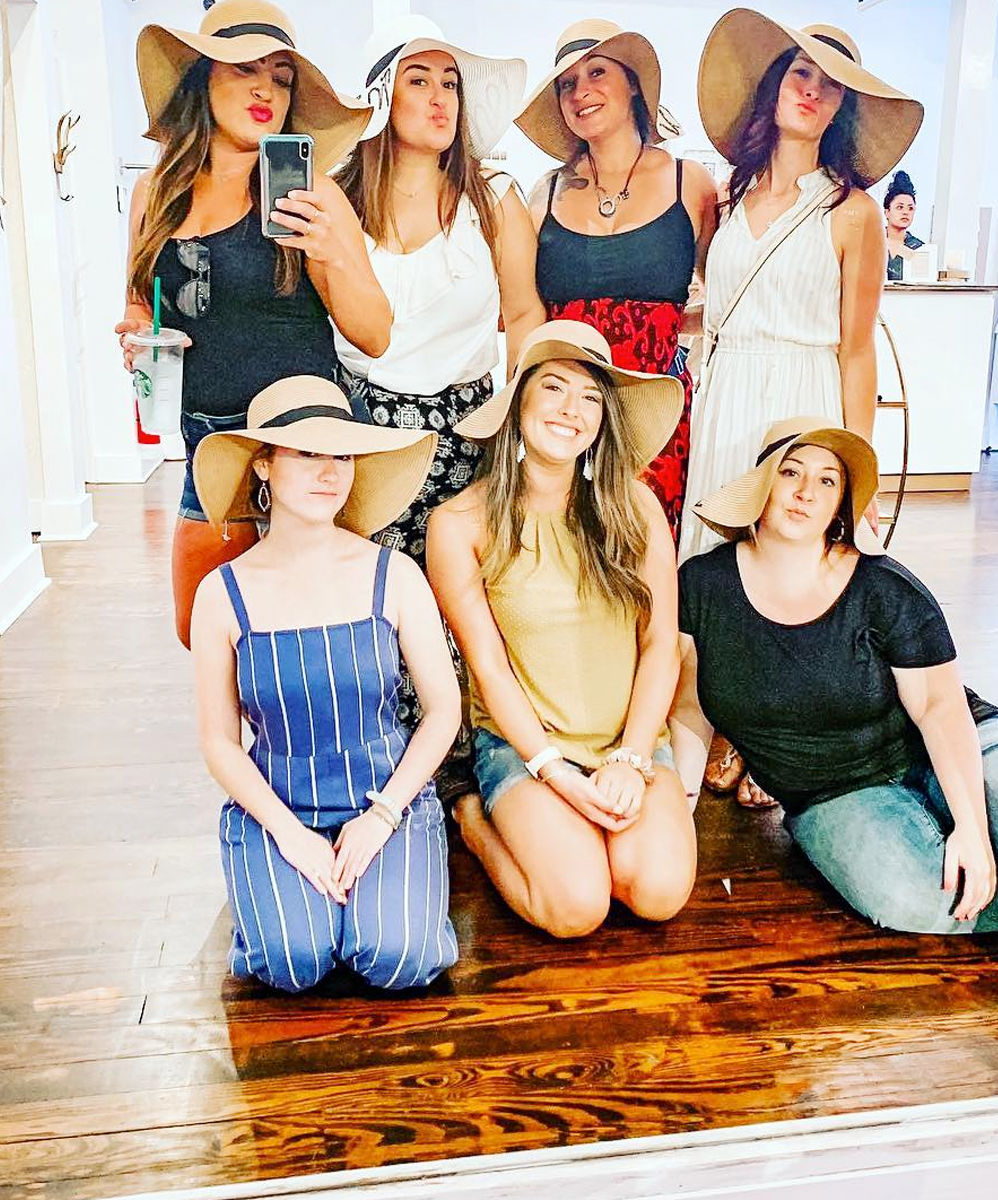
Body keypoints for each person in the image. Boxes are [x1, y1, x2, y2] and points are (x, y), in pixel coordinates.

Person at [673, 416, 998, 935]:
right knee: (915, 897)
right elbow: (689, 707)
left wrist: (973, 829)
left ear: (840, 505)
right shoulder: (703, 584)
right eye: (790, 472)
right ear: (761, 486)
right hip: (829, 792)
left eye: (827, 480)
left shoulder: (881, 585)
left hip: (947, 746)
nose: (805, 492)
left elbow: (939, 708)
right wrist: (680, 809)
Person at [116, 0, 391, 650]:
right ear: (202, 78)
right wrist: (135, 331)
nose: (266, 87)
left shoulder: (308, 193)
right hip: (207, 443)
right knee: (205, 634)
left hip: (302, 445)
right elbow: (138, 299)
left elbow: (375, 332)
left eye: (281, 75)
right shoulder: (155, 194)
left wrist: (327, 250)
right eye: (243, 69)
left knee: (308, 640)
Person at [190, 375, 460, 992]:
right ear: (263, 465)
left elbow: (444, 710)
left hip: (386, 796)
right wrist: (289, 834)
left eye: (341, 454)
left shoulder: (394, 574)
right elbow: (220, 743)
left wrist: (384, 815)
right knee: (294, 961)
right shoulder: (222, 594)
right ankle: (281, 889)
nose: (328, 471)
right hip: (278, 802)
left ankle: (388, 885)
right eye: (307, 452)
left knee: (401, 959)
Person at [427, 321, 697, 938]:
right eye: (553, 388)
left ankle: (600, 814)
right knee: (577, 907)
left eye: (591, 397)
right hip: (527, 746)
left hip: (628, 740)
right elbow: (487, 669)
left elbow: (660, 645)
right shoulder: (459, 523)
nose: (571, 410)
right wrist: (552, 770)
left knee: (657, 893)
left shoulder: (637, 506)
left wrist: (632, 757)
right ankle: (473, 819)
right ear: (519, 399)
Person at [681, 10, 924, 562]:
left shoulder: (853, 212)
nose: (812, 91)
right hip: (724, 394)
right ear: (775, 88)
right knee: (712, 564)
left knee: (790, 560)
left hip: (804, 398)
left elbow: (857, 350)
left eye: (830, 86)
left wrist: (862, 470)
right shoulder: (726, 199)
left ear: (840, 109)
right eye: (801, 74)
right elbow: (724, 309)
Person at [335, 15, 543, 567]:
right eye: (419, 80)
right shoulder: (339, 201)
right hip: (361, 436)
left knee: (459, 609)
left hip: (467, 434)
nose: (440, 99)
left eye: (450, 83)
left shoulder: (493, 198)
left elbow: (524, 314)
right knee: (370, 606)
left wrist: (512, 429)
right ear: (382, 95)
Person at [520, 19, 717, 542]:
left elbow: (729, 295)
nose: (581, 91)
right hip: (565, 414)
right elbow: (523, 312)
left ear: (632, 83)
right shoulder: (545, 193)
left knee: (648, 554)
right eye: (567, 84)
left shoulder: (688, 183)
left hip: (656, 413)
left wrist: (671, 325)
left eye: (597, 72)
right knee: (566, 553)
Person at [884, 170, 925, 282]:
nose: (906, 212)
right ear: (887, 212)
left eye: (910, 208)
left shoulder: (919, 247)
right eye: (900, 207)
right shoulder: (872, 241)